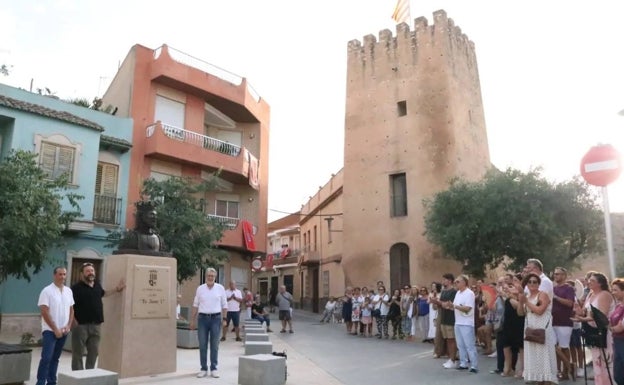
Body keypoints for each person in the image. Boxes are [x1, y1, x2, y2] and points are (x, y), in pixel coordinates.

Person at [71, 262, 125, 370]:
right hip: (80, 326)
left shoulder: (97, 285)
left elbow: (103, 293)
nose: (90, 273)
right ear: (82, 274)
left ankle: (89, 374)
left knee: (94, 352)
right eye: (87, 271)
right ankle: (77, 376)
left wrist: (117, 289)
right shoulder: (75, 288)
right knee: (78, 353)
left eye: (92, 271)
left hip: (96, 325)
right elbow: (69, 305)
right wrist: (72, 320)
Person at [573, 272, 614, 385]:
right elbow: (585, 314)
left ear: (600, 283)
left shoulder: (604, 295)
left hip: (604, 333)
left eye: (592, 281)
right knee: (597, 363)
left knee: (606, 363)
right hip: (593, 333)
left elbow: (601, 316)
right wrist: (578, 310)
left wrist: (583, 319)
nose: (589, 282)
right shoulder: (590, 294)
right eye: (589, 280)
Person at [36, 267, 74, 385]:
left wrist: (68, 326)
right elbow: (44, 311)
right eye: (60, 274)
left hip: (63, 331)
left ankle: (52, 381)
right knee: (46, 358)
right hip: (50, 331)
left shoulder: (68, 291)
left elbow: (71, 309)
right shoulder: (47, 291)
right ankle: (41, 382)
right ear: (54, 275)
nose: (62, 277)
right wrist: (55, 329)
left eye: (64, 274)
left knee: (55, 358)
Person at [518, 272, 558, 385]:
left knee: (545, 356)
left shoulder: (542, 295)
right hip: (530, 329)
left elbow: (540, 311)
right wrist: (521, 302)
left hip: (542, 330)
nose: (532, 284)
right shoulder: (526, 296)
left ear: (538, 283)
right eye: (529, 282)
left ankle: (547, 381)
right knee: (535, 357)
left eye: (535, 282)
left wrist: (526, 302)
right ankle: (539, 380)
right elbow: (521, 313)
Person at [190, 268, 228, 379]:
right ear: (205, 276)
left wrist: (225, 319)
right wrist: (192, 320)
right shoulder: (200, 289)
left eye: (212, 276)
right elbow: (195, 305)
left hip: (216, 319)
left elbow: (224, 305)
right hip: (202, 319)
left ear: (215, 277)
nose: (210, 277)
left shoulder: (220, 288)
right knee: (202, 344)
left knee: (215, 345)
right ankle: (203, 368)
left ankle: (214, 368)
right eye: (208, 275)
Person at [444, 275, 478, 373]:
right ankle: (463, 364)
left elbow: (467, 308)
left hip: (467, 323)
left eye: (458, 282)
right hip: (458, 322)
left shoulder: (469, 293)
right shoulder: (458, 293)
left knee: (469, 345)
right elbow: (455, 307)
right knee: (460, 345)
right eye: (455, 282)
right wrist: (449, 306)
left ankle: (474, 365)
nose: (456, 284)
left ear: (464, 282)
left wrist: (454, 306)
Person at [551, 267, 576, 380]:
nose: (556, 276)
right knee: (553, 346)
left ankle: (566, 372)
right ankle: (559, 370)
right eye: (555, 274)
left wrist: (556, 297)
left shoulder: (569, 288)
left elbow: (570, 303)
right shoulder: (553, 288)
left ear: (564, 276)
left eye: (558, 274)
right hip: (553, 321)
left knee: (564, 347)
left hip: (565, 322)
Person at [431, 273, 458, 369]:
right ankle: (450, 358)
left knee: (451, 339)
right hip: (443, 318)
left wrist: (437, 302)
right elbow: (440, 305)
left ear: (450, 280)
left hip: (451, 318)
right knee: (447, 339)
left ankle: (453, 359)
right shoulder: (443, 291)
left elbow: (447, 305)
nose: (443, 281)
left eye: (445, 279)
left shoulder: (453, 291)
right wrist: (435, 302)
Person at [610, 278, 624, 385]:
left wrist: (609, 327)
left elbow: (620, 327)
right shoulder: (618, 306)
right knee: (618, 375)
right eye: (612, 290)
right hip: (617, 342)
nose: (613, 292)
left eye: (615, 290)